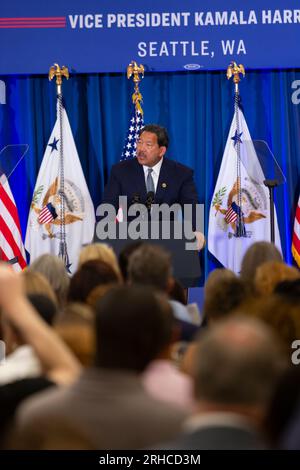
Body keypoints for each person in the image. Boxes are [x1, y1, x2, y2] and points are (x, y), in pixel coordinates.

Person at [102, 124, 204, 249]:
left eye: (148, 145)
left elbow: (191, 208)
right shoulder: (121, 171)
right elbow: (107, 207)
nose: (141, 149)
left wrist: (196, 232)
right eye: (139, 143)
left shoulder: (181, 174)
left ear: (161, 151)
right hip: (130, 245)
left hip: (168, 244)